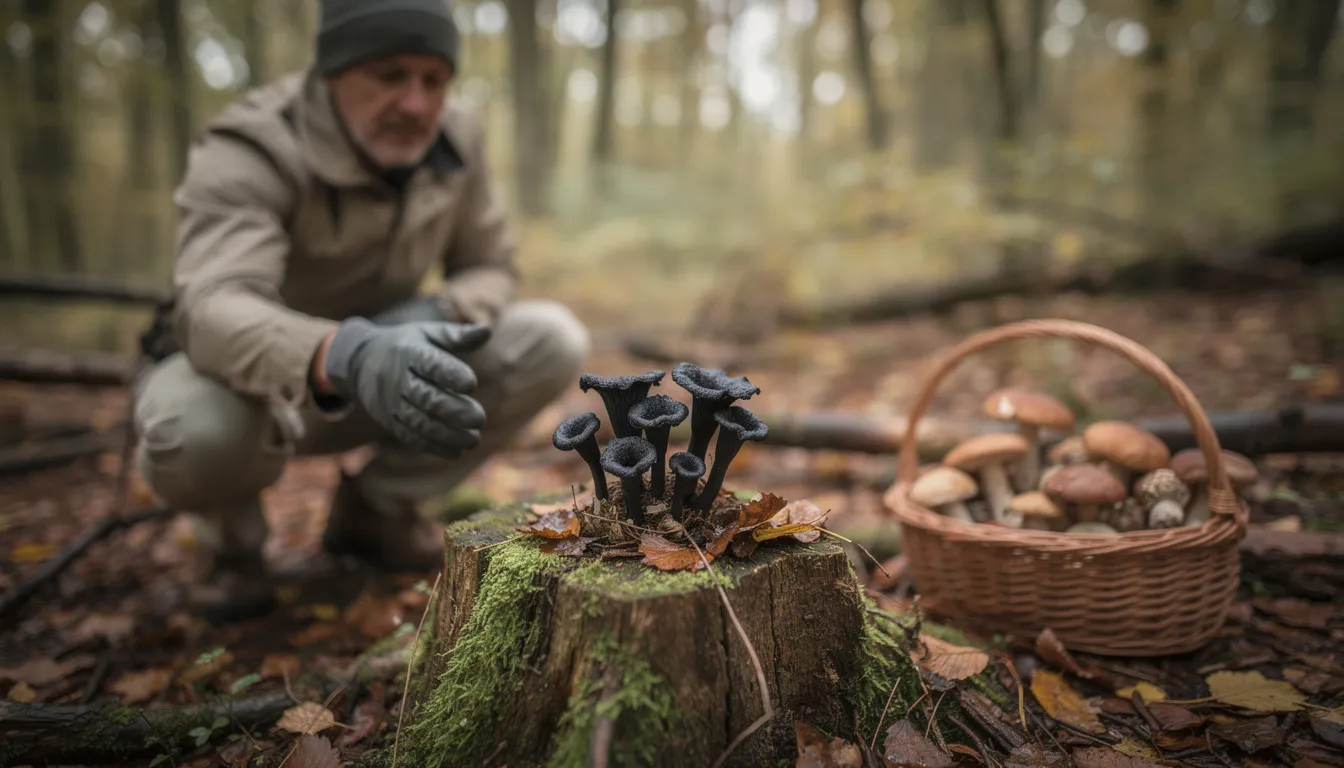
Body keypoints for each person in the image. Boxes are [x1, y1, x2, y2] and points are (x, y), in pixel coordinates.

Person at [131, 0, 590, 622]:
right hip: (259, 388)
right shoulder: (253, 145)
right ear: (332, 71)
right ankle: (231, 549)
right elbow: (212, 307)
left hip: (395, 373)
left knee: (551, 337)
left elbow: (493, 265)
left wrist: (436, 308)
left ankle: (377, 510)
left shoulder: (455, 138)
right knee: (198, 428)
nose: (418, 104)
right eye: (390, 75)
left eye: (435, 79)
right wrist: (346, 351)